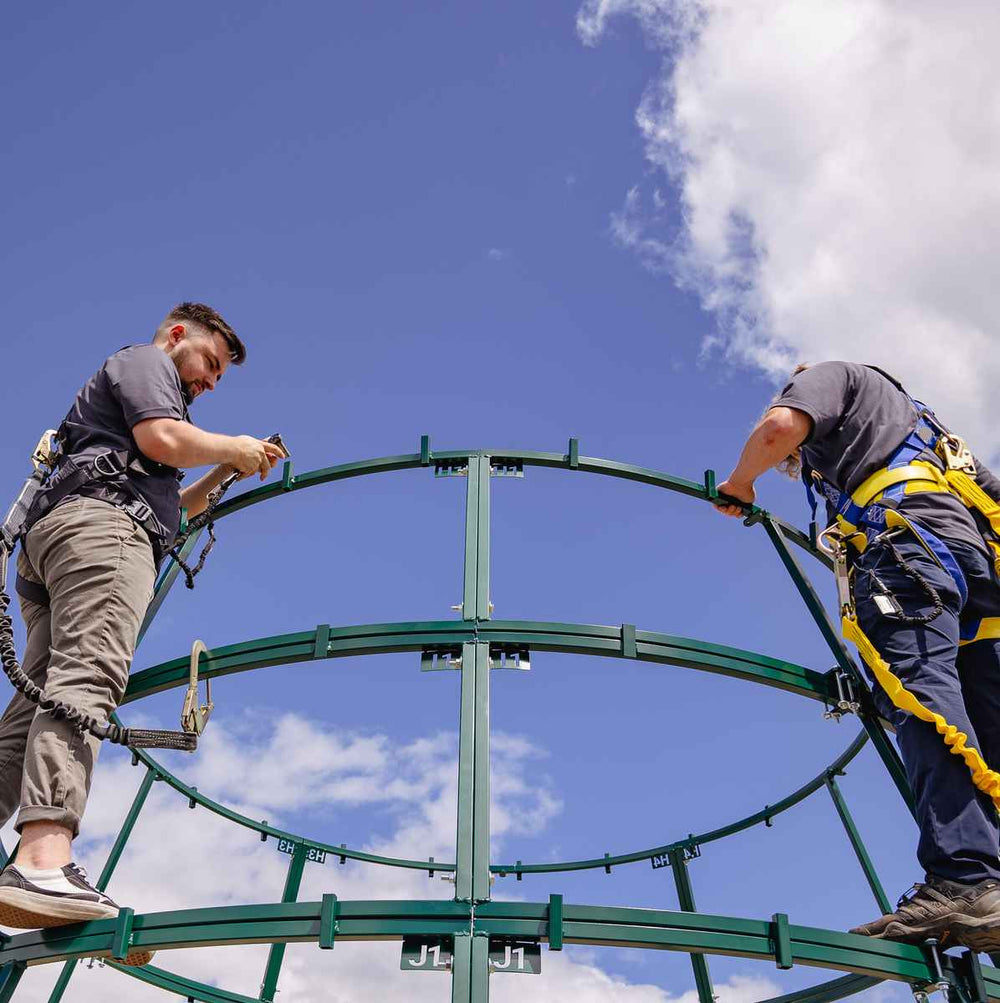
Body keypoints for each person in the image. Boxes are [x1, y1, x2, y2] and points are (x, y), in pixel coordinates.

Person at [0, 303, 286, 942]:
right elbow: (162, 439)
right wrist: (235, 444)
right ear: (178, 335)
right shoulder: (146, 361)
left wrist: (223, 469)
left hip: (66, 536)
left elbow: (170, 507)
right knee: (88, 676)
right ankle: (43, 859)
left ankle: (29, 848)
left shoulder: (133, 415)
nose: (210, 381)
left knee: (33, 706)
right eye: (211, 363)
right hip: (104, 535)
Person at [715, 361, 1000, 952]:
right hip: (974, 565)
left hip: (906, 547)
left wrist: (740, 483)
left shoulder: (831, 376)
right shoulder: (927, 432)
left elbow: (778, 429)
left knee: (920, 697)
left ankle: (968, 878)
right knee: (987, 723)